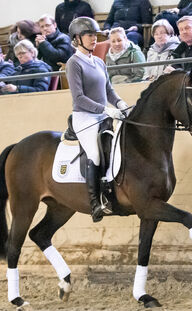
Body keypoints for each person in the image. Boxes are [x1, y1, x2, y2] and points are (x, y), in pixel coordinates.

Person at [66, 17, 128, 222]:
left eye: (95, 35)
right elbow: (79, 98)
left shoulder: (99, 62)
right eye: (89, 35)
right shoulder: (73, 63)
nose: (94, 39)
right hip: (85, 118)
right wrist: (105, 110)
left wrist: (119, 104)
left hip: (103, 114)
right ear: (77, 39)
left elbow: (108, 90)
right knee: (95, 153)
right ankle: (96, 203)